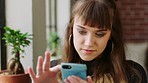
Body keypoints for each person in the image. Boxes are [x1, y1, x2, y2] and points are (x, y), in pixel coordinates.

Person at [28, 0, 147, 83]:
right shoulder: (53, 71)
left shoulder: (133, 74)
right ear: (71, 30)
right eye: (82, 31)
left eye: (100, 34)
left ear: (111, 35)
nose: (89, 42)